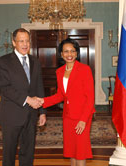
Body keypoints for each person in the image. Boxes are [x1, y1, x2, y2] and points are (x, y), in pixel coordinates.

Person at [38, 38, 95, 166]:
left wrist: (83, 120)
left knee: (80, 151)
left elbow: (90, 98)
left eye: (72, 51)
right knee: (71, 150)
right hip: (68, 116)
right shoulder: (59, 72)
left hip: (82, 116)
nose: (69, 54)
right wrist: (42, 101)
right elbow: (60, 96)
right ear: (61, 54)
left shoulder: (85, 69)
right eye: (66, 51)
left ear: (76, 53)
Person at [0, 28, 46, 166]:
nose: (25, 44)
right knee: (9, 154)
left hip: (31, 115)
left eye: (27, 41)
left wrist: (42, 112)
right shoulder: (3, 61)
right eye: (21, 41)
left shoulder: (35, 61)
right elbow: (5, 88)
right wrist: (28, 100)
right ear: (14, 42)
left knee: (28, 152)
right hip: (12, 115)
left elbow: (39, 87)